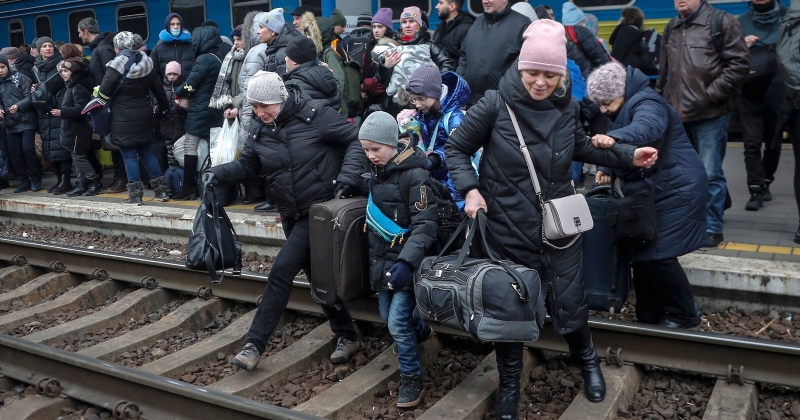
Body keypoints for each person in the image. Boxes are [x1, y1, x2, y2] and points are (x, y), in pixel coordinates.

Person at [444, 20, 659, 419]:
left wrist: (629, 155)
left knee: (570, 299)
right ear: (520, 68)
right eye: (533, 73)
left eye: (549, 74)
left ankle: (589, 364)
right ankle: (509, 386)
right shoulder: (494, 104)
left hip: (558, 225)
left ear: (561, 74)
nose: (540, 82)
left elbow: (582, 148)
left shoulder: (567, 108)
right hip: (506, 227)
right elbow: (454, 149)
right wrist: (470, 189)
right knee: (509, 308)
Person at [201, 71, 365, 371]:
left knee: (280, 273)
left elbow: (355, 139)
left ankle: (254, 345)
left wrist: (347, 179)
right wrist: (219, 172)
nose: (260, 112)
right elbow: (249, 164)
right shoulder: (260, 127)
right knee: (319, 278)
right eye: (255, 106)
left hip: (318, 214)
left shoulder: (314, 115)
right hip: (290, 214)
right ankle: (347, 335)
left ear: (280, 98)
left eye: (265, 106)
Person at [587, 63, 707, 328]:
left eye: (607, 103)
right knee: (643, 253)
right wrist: (606, 166)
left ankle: (684, 315)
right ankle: (649, 316)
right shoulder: (627, 104)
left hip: (677, 188)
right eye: (600, 105)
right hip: (656, 190)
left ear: (622, 91)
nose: (604, 110)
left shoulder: (647, 102)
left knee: (658, 253)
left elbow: (646, 128)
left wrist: (613, 138)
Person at [357, 111, 437, 408]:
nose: (371, 155)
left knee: (397, 325)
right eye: (366, 150)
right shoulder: (377, 176)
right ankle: (423, 331)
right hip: (383, 263)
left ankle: (412, 379)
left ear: (392, 144)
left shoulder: (416, 176)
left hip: (406, 265)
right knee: (386, 315)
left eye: (375, 149)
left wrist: (406, 263)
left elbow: (425, 225)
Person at [656, 0, 749, 249]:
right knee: (685, 173)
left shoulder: (722, 22)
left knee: (710, 172)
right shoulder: (671, 26)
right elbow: (664, 71)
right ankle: (692, 221)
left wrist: (710, 95)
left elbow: (738, 64)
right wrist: (659, 101)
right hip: (677, 113)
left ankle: (711, 226)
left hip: (710, 113)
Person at [99, 31, 170, 204]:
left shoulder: (116, 65)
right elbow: (159, 91)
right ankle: (161, 192)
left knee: (129, 155)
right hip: (145, 115)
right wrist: (163, 108)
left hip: (123, 117)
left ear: (117, 47)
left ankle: (136, 195)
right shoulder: (147, 63)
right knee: (146, 152)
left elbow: (104, 92)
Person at [240, 8, 299, 212]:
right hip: (272, 111)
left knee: (277, 157)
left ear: (273, 31)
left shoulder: (281, 51)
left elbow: (283, 86)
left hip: (277, 113)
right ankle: (275, 199)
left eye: (262, 27)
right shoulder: (276, 47)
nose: (257, 32)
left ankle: (278, 201)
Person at [736, 0, 787, 211]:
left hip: (779, 92)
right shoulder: (741, 22)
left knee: (774, 141)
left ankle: (766, 180)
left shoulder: (788, 18)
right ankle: (755, 189)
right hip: (748, 92)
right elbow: (726, 57)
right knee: (751, 143)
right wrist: (741, 47)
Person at [407, 64, 470, 208]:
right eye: (413, 99)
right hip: (436, 181)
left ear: (435, 94)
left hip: (455, 184)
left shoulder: (454, 117)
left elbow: (460, 151)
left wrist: (435, 159)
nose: (417, 104)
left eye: (421, 99)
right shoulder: (424, 113)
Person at [173, 26, 224, 200]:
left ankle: (189, 188)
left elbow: (191, 84)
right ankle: (207, 184)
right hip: (213, 109)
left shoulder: (204, 60)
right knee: (211, 149)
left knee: (190, 146)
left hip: (201, 110)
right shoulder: (217, 57)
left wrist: (178, 92)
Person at [78, 17, 127, 193]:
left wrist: (106, 99)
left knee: (115, 142)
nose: (79, 36)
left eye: (79, 32)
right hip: (106, 101)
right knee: (111, 142)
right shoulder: (101, 47)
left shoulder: (103, 49)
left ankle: (122, 178)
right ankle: (118, 177)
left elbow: (110, 75)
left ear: (85, 31)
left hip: (109, 102)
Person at [456, 0, 530, 105]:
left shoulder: (522, 24)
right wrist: (460, 87)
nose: (485, 1)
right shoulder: (478, 22)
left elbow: (525, 65)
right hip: (470, 102)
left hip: (502, 103)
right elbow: (464, 56)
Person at [33, 37, 72, 195]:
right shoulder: (35, 68)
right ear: (38, 49)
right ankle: (58, 179)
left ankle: (66, 180)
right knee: (49, 147)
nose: (48, 48)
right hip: (43, 111)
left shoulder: (61, 64)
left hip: (58, 109)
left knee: (61, 147)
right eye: (44, 46)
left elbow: (68, 84)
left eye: (50, 46)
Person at [58, 57, 103, 196]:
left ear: (74, 72)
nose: (62, 73)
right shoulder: (71, 86)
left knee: (79, 157)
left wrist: (62, 112)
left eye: (66, 71)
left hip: (79, 129)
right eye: (61, 71)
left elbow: (81, 110)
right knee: (76, 155)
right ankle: (81, 183)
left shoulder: (77, 88)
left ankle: (94, 182)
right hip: (72, 128)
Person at [0, 53, 39, 193]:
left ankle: (35, 177)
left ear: (7, 66)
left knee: (27, 149)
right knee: (14, 153)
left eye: (2, 67)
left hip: (26, 120)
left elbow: (30, 96)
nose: (0, 70)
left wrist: (18, 106)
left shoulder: (20, 78)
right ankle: (24, 181)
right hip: (10, 124)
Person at [283, 36, 339, 109]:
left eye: (287, 55)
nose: (285, 58)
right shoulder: (328, 76)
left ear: (294, 61)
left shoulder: (293, 88)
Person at [562, 3, 609, 79]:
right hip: (588, 75)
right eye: (583, 20)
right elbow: (597, 54)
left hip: (572, 77)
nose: (584, 23)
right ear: (578, 21)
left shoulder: (563, 34)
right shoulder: (581, 31)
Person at [159, 61, 187, 170]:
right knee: (170, 154)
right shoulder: (161, 88)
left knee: (181, 154)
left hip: (181, 127)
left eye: (175, 74)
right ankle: (173, 176)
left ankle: (180, 176)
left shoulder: (184, 87)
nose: (172, 77)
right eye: (169, 74)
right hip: (166, 127)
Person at [433, 0, 476, 69]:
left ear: (452, 6)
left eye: (441, 3)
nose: (436, 6)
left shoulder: (466, 29)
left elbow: (467, 61)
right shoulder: (441, 27)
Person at [151, 13, 194, 80]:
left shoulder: (191, 47)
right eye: (172, 24)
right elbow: (155, 74)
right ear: (167, 26)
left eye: (178, 24)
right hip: (167, 89)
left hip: (188, 88)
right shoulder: (157, 50)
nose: (176, 27)